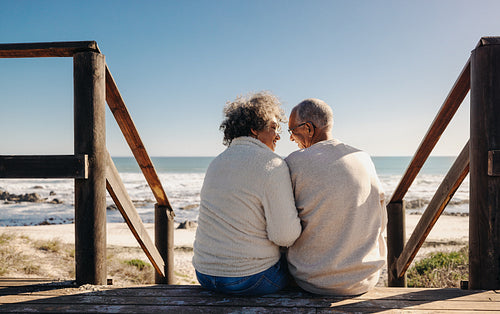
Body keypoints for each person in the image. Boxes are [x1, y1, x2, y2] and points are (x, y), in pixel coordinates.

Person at [193, 91, 301, 295]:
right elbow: (285, 236)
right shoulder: (272, 165)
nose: (278, 135)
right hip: (250, 278)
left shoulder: (216, 163)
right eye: (273, 127)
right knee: (302, 272)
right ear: (254, 129)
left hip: (204, 275)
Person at [285, 98, 387, 296]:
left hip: (312, 281)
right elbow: (381, 219)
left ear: (308, 128)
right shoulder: (363, 157)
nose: (291, 138)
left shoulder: (294, 163)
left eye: (292, 131)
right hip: (364, 280)